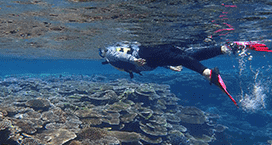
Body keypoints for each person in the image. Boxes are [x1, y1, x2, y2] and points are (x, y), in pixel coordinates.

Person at [99, 41, 271, 106]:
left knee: (184, 57)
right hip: (147, 57)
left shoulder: (110, 55)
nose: (103, 52)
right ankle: (217, 59)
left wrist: (134, 61)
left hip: (147, 58)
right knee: (185, 56)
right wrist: (135, 61)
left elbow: (120, 55)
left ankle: (215, 61)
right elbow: (120, 56)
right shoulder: (110, 55)